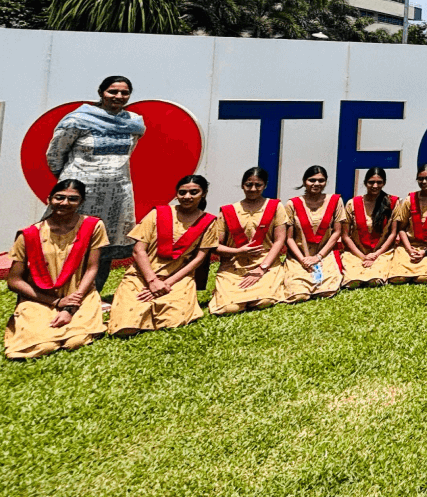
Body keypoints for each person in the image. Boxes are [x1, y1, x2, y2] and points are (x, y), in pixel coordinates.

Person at [45, 75, 144, 293]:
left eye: (124, 93)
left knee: (104, 246)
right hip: (80, 194)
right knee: (71, 242)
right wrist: (69, 184)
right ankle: (59, 293)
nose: (118, 96)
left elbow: (126, 157)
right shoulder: (77, 119)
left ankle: (92, 295)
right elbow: (55, 154)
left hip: (116, 195)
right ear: (101, 92)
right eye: (112, 91)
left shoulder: (133, 123)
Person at [4, 179, 107, 359]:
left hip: (79, 295)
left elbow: (92, 268)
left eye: (73, 199)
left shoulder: (93, 227)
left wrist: (72, 304)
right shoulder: (29, 234)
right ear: (49, 199)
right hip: (39, 298)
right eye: (59, 197)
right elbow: (14, 281)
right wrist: (56, 302)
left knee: (76, 340)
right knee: (43, 345)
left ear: (81, 202)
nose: (65, 203)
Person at [108, 174, 218, 336]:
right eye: (182, 192)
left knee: (173, 320)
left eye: (194, 192)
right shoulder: (157, 213)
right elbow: (138, 250)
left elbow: (198, 259)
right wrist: (152, 281)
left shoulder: (209, 221)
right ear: (176, 194)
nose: (187, 197)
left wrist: (166, 283)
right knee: (125, 327)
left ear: (204, 194)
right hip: (141, 275)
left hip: (177, 278)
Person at [210, 167, 288, 316]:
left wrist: (262, 267)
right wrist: (238, 251)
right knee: (229, 308)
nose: (253, 189)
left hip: (266, 264)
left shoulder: (276, 207)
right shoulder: (227, 211)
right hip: (234, 266)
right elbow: (215, 246)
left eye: (258, 185)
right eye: (248, 184)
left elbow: (280, 240)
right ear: (242, 185)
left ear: (265, 185)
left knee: (263, 301)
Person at [283, 165, 346, 301]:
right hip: (299, 255)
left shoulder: (335, 201)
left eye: (321, 180)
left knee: (326, 290)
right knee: (298, 294)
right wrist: (303, 260)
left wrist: (318, 257)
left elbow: (337, 232)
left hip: (324, 254)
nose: (316, 184)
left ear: (326, 182)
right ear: (304, 181)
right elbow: (288, 238)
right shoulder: (292, 204)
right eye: (312, 180)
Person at [389, 163, 427, 284]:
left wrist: (426, 251)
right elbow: (401, 228)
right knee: (398, 278)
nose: (424, 182)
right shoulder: (409, 199)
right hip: (410, 246)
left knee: (424, 278)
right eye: (421, 178)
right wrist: (409, 249)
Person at [342, 168, 396, 288]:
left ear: (384, 183)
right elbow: (345, 235)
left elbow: (393, 234)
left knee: (375, 280)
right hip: (356, 252)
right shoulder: (352, 203)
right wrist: (362, 256)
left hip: (382, 252)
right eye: (371, 182)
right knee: (352, 281)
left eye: (379, 182)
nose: (375, 186)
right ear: (365, 182)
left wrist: (376, 255)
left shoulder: (392, 203)